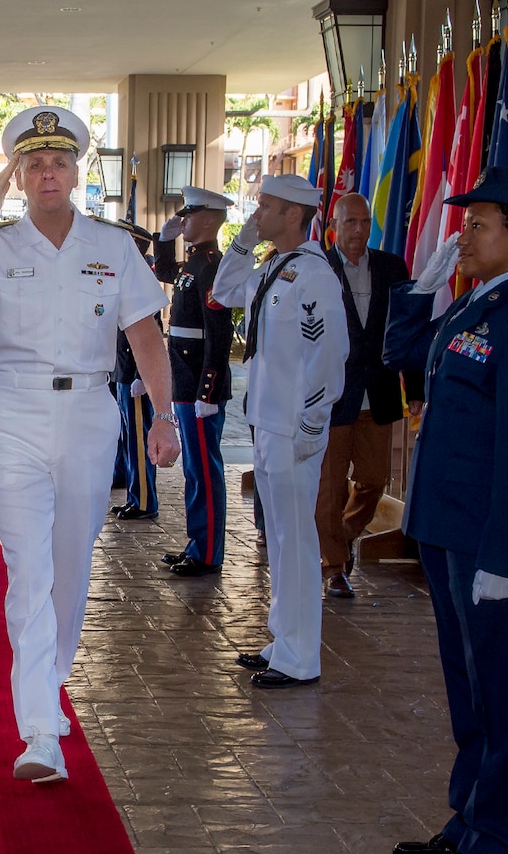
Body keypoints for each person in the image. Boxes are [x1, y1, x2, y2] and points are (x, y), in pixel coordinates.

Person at [0, 106, 178, 784]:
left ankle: (51, 680)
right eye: (31, 163)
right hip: (14, 409)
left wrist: (163, 415)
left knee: (71, 560)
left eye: (58, 161)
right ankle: (38, 727)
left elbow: (144, 335)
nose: (46, 173)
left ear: (75, 170)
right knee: (29, 570)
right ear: (18, 173)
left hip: (91, 412)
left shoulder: (114, 244)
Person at [382, 166, 508, 854]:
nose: (464, 233)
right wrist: (420, 289)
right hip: (444, 525)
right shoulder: (472, 309)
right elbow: (402, 359)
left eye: (480, 223)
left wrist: (504, 556)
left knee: (503, 692)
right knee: (467, 685)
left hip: (487, 538)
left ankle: (496, 844)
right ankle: (468, 818)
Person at [210, 174, 348, 689]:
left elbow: (328, 355)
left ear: (294, 214)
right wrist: (244, 240)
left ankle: (299, 657)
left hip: (293, 428)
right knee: (283, 541)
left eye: (265, 207)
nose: (256, 213)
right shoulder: (275, 269)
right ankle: (283, 642)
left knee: (294, 541)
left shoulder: (313, 276)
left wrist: (313, 421)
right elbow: (223, 292)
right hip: (267, 422)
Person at [318, 193, 423, 597]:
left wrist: (415, 388)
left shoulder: (392, 267)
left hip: (378, 396)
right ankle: (334, 569)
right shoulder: (318, 267)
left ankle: (342, 536)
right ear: (335, 226)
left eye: (364, 223)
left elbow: (407, 330)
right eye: (350, 223)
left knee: (374, 480)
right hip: (332, 398)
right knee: (330, 487)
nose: (358, 230)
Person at [153, 186, 236, 577]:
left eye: (188, 217)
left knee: (205, 470)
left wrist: (208, 390)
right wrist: (164, 241)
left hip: (200, 384)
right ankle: (196, 542)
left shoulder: (215, 267)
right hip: (186, 381)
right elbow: (167, 273)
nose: (182, 222)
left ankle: (208, 552)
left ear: (208, 220)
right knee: (194, 471)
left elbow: (217, 335)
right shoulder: (194, 265)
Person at [111, 222, 161, 521]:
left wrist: (143, 375)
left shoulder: (142, 279)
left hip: (135, 374)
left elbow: (151, 330)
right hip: (123, 371)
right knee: (128, 437)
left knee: (140, 441)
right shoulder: (122, 276)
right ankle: (133, 491)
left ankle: (144, 500)